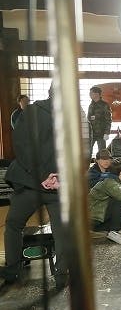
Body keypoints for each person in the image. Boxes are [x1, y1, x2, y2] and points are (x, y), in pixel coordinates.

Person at [1, 88, 70, 288]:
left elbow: (22, 146)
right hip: (57, 183)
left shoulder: (32, 111)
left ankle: (13, 269)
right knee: (62, 229)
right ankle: (61, 273)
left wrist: (41, 176)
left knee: (14, 224)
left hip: (31, 181)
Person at [89, 157, 121, 243]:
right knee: (118, 201)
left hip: (106, 219)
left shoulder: (117, 182)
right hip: (96, 220)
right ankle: (115, 232)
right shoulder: (109, 182)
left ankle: (116, 234)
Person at [87, 85, 112, 158]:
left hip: (101, 133)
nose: (90, 94)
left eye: (91, 93)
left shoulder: (104, 105)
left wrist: (107, 133)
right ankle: (87, 165)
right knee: (88, 152)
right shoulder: (91, 105)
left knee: (102, 153)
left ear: (97, 94)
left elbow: (108, 120)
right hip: (91, 133)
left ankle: (102, 165)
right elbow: (88, 119)